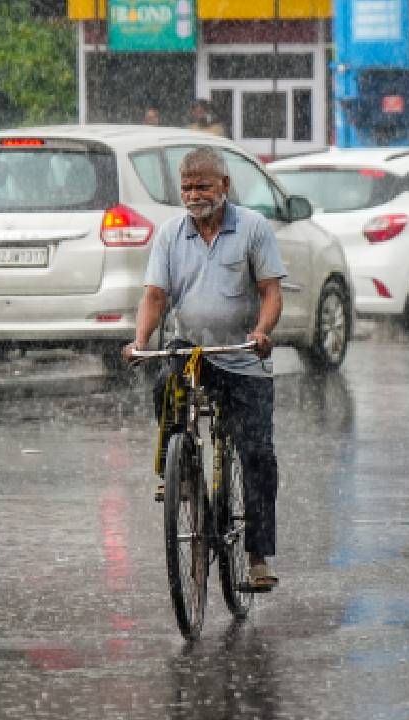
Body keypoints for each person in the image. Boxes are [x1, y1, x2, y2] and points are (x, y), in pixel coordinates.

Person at [121, 147, 284, 590]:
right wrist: (139, 342)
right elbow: (155, 296)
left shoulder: (253, 228)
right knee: (166, 383)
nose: (194, 195)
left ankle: (256, 557)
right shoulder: (171, 235)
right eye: (187, 187)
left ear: (224, 187)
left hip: (242, 357)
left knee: (257, 456)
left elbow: (271, 292)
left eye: (203, 186)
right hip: (192, 350)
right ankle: (179, 472)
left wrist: (262, 331)